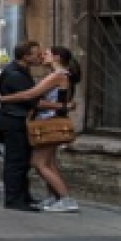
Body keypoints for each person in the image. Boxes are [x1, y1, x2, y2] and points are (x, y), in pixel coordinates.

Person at [0, 41, 68, 212]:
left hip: (20, 119)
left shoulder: (22, 71)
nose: (40, 56)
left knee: (24, 161)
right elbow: (31, 99)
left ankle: (24, 196)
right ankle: (15, 199)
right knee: (16, 161)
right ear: (26, 57)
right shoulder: (15, 74)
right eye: (36, 54)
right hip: (14, 120)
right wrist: (63, 106)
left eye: (43, 53)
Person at [32, 47, 82, 213]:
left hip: (48, 121)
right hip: (51, 120)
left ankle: (66, 199)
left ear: (56, 57)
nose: (42, 57)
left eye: (46, 54)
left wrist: (8, 97)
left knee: (38, 163)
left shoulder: (58, 75)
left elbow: (34, 98)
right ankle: (55, 197)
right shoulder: (62, 75)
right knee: (49, 162)